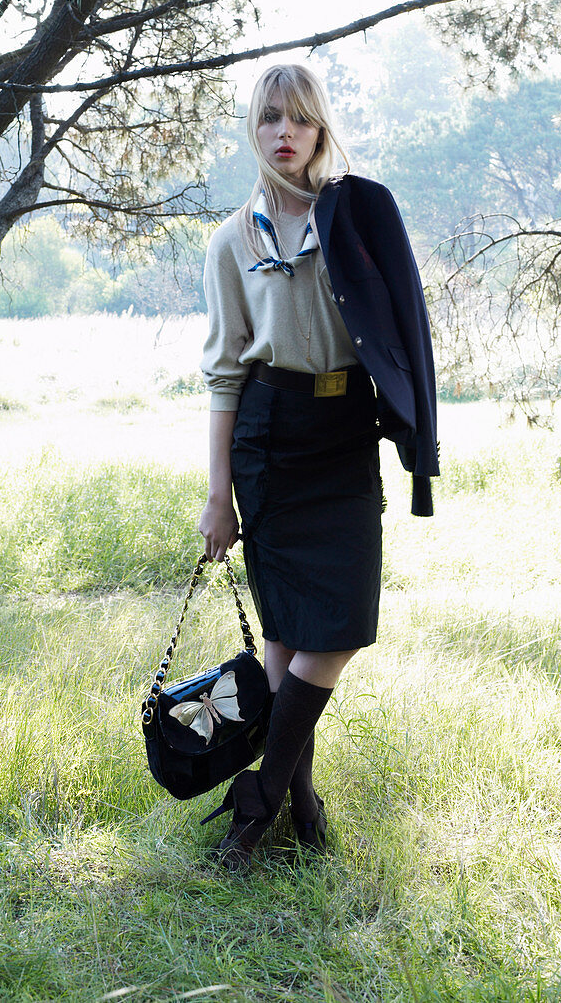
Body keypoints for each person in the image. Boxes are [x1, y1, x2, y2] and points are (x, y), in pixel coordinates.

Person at [198, 63, 438, 870]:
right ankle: (298, 804)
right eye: (270, 118)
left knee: (334, 632)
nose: (284, 132)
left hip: (342, 433)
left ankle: (262, 796)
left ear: (320, 127)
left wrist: (416, 427)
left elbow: (405, 316)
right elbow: (225, 373)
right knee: (287, 634)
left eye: (299, 118)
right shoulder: (231, 240)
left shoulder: (356, 213)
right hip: (267, 437)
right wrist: (216, 495)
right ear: (254, 130)